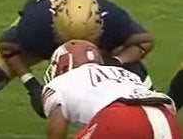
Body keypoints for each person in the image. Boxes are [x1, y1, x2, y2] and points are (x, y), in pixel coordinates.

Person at [0, 0, 152, 125]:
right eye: (69, 41)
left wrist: (116, 63)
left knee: (135, 78)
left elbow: (145, 41)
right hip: (46, 42)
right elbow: (6, 47)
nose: (74, 48)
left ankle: (150, 122)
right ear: (55, 27)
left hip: (101, 49)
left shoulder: (113, 20)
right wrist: (32, 85)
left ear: (100, 26)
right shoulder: (36, 25)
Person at [42, 40, 178, 139]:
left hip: (121, 117)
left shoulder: (59, 84)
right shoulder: (124, 73)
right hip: (165, 116)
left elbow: (56, 134)